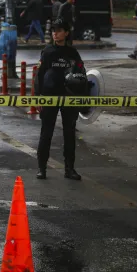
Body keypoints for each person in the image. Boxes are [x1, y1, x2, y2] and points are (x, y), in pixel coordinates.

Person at [35, 18, 84, 181]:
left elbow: (81, 75)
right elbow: (39, 76)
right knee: (46, 133)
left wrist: (82, 99)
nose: (55, 33)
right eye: (53, 30)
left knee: (69, 133)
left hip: (69, 98)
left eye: (59, 30)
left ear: (66, 33)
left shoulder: (73, 53)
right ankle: (42, 168)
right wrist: (38, 98)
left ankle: (69, 168)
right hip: (49, 97)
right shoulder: (48, 51)